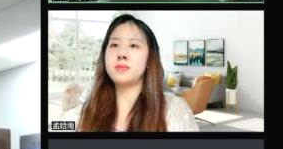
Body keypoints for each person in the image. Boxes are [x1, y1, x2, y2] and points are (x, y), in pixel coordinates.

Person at [59, 14, 198, 132]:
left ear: (150, 58)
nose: (121, 53)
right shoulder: (76, 118)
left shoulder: (175, 112)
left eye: (133, 45)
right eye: (114, 45)